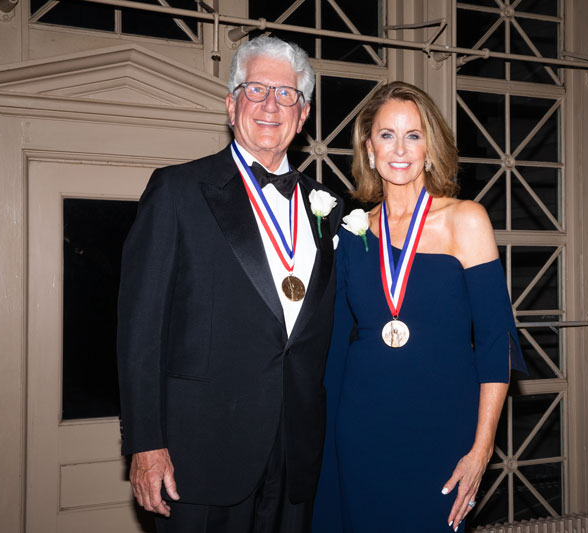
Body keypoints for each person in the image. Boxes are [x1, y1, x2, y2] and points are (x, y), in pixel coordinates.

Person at [117, 35, 343, 533]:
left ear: (303, 115)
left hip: (297, 454)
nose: (270, 105)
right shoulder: (176, 190)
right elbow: (140, 329)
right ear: (230, 102)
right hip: (198, 457)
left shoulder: (330, 205)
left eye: (286, 95)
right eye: (256, 89)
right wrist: (145, 443)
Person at [312, 81, 527, 532]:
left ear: (430, 146)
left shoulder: (465, 220)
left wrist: (482, 448)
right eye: (387, 134)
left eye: (413, 134)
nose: (400, 148)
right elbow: (331, 343)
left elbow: (495, 341)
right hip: (362, 424)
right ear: (369, 148)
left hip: (442, 428)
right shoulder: (353, 233)